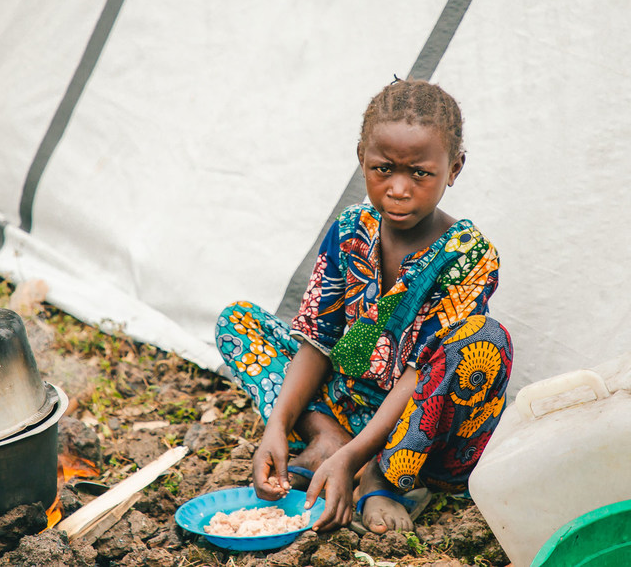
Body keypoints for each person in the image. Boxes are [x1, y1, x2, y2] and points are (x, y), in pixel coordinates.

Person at [215, 78, 512, 535]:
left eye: (420, 173)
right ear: (361, 159)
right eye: (383, 169)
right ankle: (325, 438)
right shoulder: (351, 228)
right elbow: (318, 341)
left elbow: (420, 373)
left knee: (485, 341)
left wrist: (357, 457)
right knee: (239, 322)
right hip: (344, 403)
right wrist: (277, 425)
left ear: (454, 168)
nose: (398, 188)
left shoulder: (468, 254)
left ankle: (382, 477)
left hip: (415, 425)